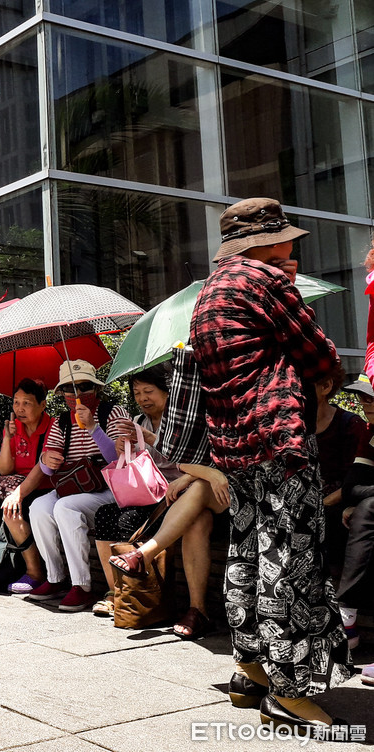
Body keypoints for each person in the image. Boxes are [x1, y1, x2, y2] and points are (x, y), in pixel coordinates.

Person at [190, 197, 350, 729]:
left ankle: (252, 670)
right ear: (266, 242)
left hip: (233, 446)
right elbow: (320, 354)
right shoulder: (265, 280)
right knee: (291, 562)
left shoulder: (208, 292)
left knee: (247, 555)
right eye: (284, 238)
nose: (289, 246)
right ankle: (289, 691)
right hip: (279, 440)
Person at [98, 365, 230, 638]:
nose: (143, 398)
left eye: (149, 391)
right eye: (137, 393)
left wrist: (181, 475)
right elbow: (138, 467)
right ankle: (197, 611)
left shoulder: (188, 421)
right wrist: (125, 448)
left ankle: (142, 556)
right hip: (167, 500)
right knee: (197, 522)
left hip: (207, 492)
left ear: (168, 392)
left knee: (197, 486)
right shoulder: (139, 421)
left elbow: (204, 459)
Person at [27, 359, 130, 612]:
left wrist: (93, 428)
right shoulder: (61, 422)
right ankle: (55, 577)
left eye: (85, 386)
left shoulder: (113, 413)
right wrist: (46, 459)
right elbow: (48, 469)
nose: (77, 394)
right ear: (62, 393)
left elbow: (119, 459)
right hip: (74, 486)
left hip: (109, 489)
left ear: (96, 388)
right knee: (38, 507)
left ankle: (82, 586)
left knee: (65, 507)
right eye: (70, 388)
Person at [0, 379, 52, 594]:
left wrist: (18, 494)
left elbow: (43, 470)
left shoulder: (52, 427)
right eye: (16, 402)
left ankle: (35, 573)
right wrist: (8, 438)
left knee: (12, 511)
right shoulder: (14, 427)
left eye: (26, 403)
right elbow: (4, 469)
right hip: (12, 486)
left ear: (42, 405)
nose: (19, 408)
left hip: (41, 487)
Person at [313, 365, 366, 574]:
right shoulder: (290, 428)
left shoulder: (351, 425)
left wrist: (319, 505)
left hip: (335, 513)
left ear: (326, 387)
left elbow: (355, 482)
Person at [336, 376, 374, 659]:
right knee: (363, 508)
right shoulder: (370, 432)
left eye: (371, 397)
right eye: (363, 397)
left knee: (367, 508)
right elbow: (352, 487)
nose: (365, 403)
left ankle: (346, 614)